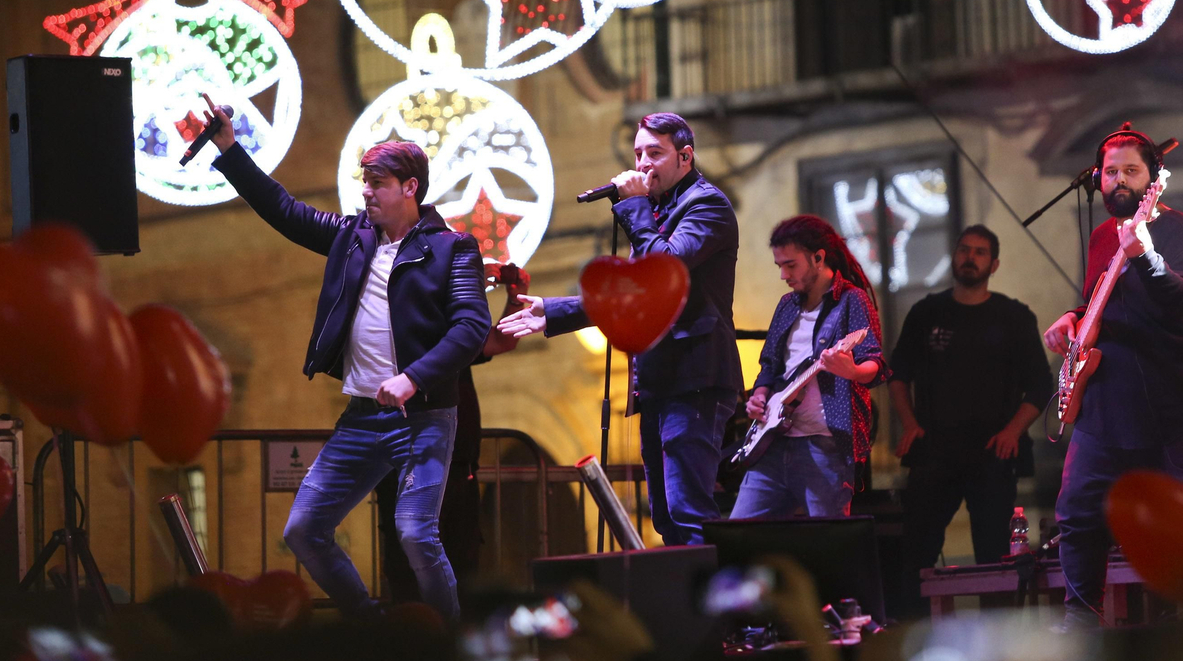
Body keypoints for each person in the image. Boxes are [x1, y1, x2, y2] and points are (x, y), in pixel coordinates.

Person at [200, 95, 490, 624]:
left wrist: (411, 379)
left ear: (410, 189)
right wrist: (230, 150)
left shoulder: (454, 249)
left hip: (425, 417)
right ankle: (372, 625)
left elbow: (472, 327)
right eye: (366, 181)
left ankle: (451, 641)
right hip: (362, 417)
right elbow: (284, 211)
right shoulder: (352, 238)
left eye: (377, 183)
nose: (366, 191)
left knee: (415, 534)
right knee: (303, 531)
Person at [498, 112, 743, 545]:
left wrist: (632, 209)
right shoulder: (657, 210)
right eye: (637, 153)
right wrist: (553, 312)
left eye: (654, 153)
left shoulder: (707, 206)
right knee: (665, 518)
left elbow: (661, 270)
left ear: (685, 157)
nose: (642, 163)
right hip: (660, 380)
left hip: (696, 379)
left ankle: (718, 611)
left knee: (689, 514)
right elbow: (633, 295)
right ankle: (683, 609)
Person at [1042, 127, 1183, 627]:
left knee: (1177, 524)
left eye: (1131, 171)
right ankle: (1081, 624)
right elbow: (1108, 297)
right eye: (1111, 172)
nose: (1119, 181)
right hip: (1106, 398)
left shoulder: (1178, 230)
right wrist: (1072, 317)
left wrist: (1146, 256)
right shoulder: (1101, 236)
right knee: (1077, 514)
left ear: (1154, 179)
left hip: (1168, 402)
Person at [889, 225, 1052, 613]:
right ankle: (912, 632)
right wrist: (910, 424)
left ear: (993, 264)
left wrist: (1014, 431)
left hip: (993, 452)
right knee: (916, 551)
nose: (970, 257)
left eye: (980, 252)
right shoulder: (926, 312)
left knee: (995, 556)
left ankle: (997, 638)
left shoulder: (1014, 317)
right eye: (964, 249)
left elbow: (1041, 386)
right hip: (934, 448)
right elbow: (897, 375)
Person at [376, 263, 529, 604]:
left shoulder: (452, 328)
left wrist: (515, 298)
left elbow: (498, 341)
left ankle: (452, 642)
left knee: (459, 565)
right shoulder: (407, 322)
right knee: (412, 571)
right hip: (410, 462)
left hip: (458, 464)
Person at [730, 216, 887, 519]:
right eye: (779, 266)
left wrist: (852, 371)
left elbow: (875, 363)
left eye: (791, 265)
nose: (783, 275)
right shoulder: (787, 304)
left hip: (824, 447)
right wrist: (761, 396)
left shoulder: (851, 300)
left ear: (818, 257)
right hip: (773, 444)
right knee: (739, 532)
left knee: (829, 546)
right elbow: (770, 364)